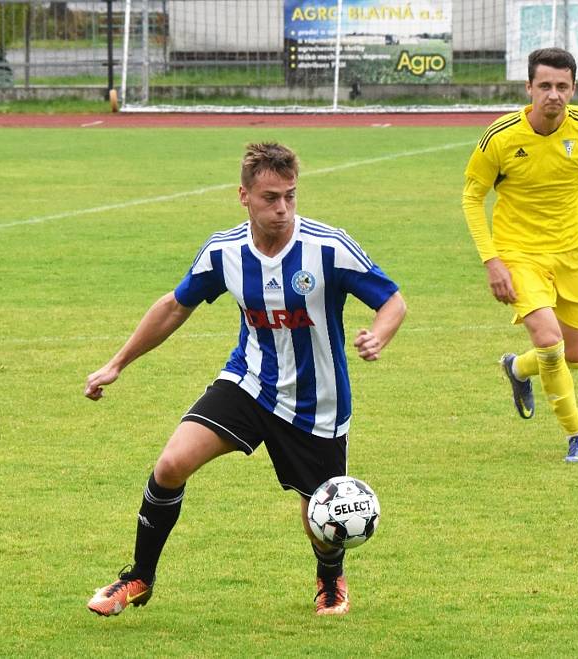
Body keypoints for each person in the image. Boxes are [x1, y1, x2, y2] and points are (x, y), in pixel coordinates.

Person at [84, 142, 406, 617]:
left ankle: (330, 580)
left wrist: (379, 336)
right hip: (249, 382)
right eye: (270, 198)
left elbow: (393, 300)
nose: (282, 209)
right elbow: (175, 305)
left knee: (319, 509)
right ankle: (137, 578)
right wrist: (118, 363)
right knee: (171, 463)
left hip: (318, 401)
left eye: (290, 197)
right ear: (243, 196)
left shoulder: (328, 246)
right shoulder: (225, 251)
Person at [461, 48, 578, 463]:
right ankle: (576, 436)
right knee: (549, 341)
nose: (553, 95)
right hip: (518, 254)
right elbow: (472, 198)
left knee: (574, 355)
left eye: (562, 87)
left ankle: (517, 368)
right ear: (529, 88)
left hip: (573, 253)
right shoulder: (501, 137)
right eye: (544, 86)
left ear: (573, 89)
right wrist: (492, 260)